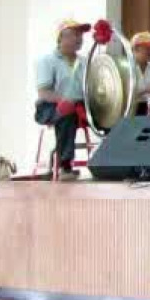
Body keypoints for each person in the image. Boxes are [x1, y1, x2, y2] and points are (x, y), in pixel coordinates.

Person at [35, 19, 90, 181]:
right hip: (49, 106)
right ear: (61, 38)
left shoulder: (85, 61)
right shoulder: (47, 60)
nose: (79, 38)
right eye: (74, 34)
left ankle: (110, 163)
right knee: (67, 113)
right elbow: (44, 92)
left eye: (80, 35)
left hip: (79, 105)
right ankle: (64, 166)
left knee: (109, 116)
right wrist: (65, 101)